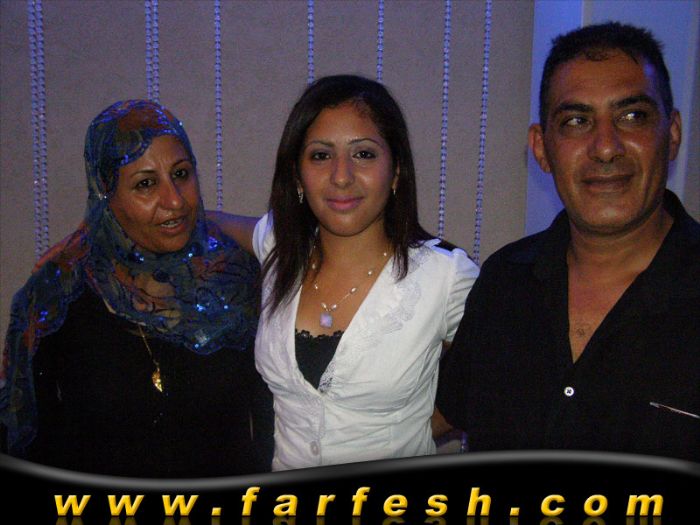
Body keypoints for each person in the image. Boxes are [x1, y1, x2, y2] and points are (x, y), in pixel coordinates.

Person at [435, 22, 699, 462]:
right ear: (542, 148)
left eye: (632, 116)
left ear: (671, 134)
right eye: (577, 121)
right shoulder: (504, 282)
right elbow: (436, 414)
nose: (606, 147)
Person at [210, 74, 480, 470]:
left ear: (396, 170)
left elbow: (494, 383)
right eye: (321, 155)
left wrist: (413, 431)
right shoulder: (280, 245)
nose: (341, 175)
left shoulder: (446, 276)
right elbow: (207, 222)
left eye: (364, 154)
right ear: (297, 174)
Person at [0, 99, 273, 477]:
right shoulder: (59, 293)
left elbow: (271, 427)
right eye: (146, 184)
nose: (174, 200)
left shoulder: (236, 280)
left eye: (182, 174)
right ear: (106, 194)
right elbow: (28, 437)